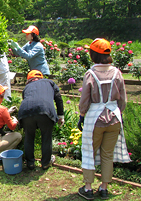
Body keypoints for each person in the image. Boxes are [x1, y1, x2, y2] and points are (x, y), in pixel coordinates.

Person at [77, 38, 131, 200]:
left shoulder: (91, 74)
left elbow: (84, 100)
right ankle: (104, 187)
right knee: (108, 154)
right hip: (114, 118)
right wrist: (116, 111)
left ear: (94, 54)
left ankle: (88, 188)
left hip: (95, 119)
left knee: (89, 153)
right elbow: (123, 100)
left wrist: (82, 115)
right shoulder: (117, 73)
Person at [18, 70, 64, 170]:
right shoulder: (50, 82)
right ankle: (46, 163)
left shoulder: (27, 87)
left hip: (26, 112)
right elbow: (58, 98)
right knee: (46, 137)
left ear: (29, 80)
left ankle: (30, 163)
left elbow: (26, 100)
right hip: (46, 111)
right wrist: (61, 116)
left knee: (29, 137)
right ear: (41, 77)